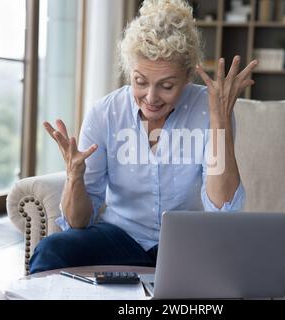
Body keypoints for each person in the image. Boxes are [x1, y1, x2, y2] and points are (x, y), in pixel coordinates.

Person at [29, 0, 258, 274]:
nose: (150, 98)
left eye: (166, 86)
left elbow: (223, 212)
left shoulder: (210, 108)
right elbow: (78, 222)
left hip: (185, 245)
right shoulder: (105, 113)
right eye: (140, 82)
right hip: (120, 238)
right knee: (52, 249)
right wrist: (74, 177)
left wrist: (220, 120)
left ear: (187, 78)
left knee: (236, 267)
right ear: (129, 71)